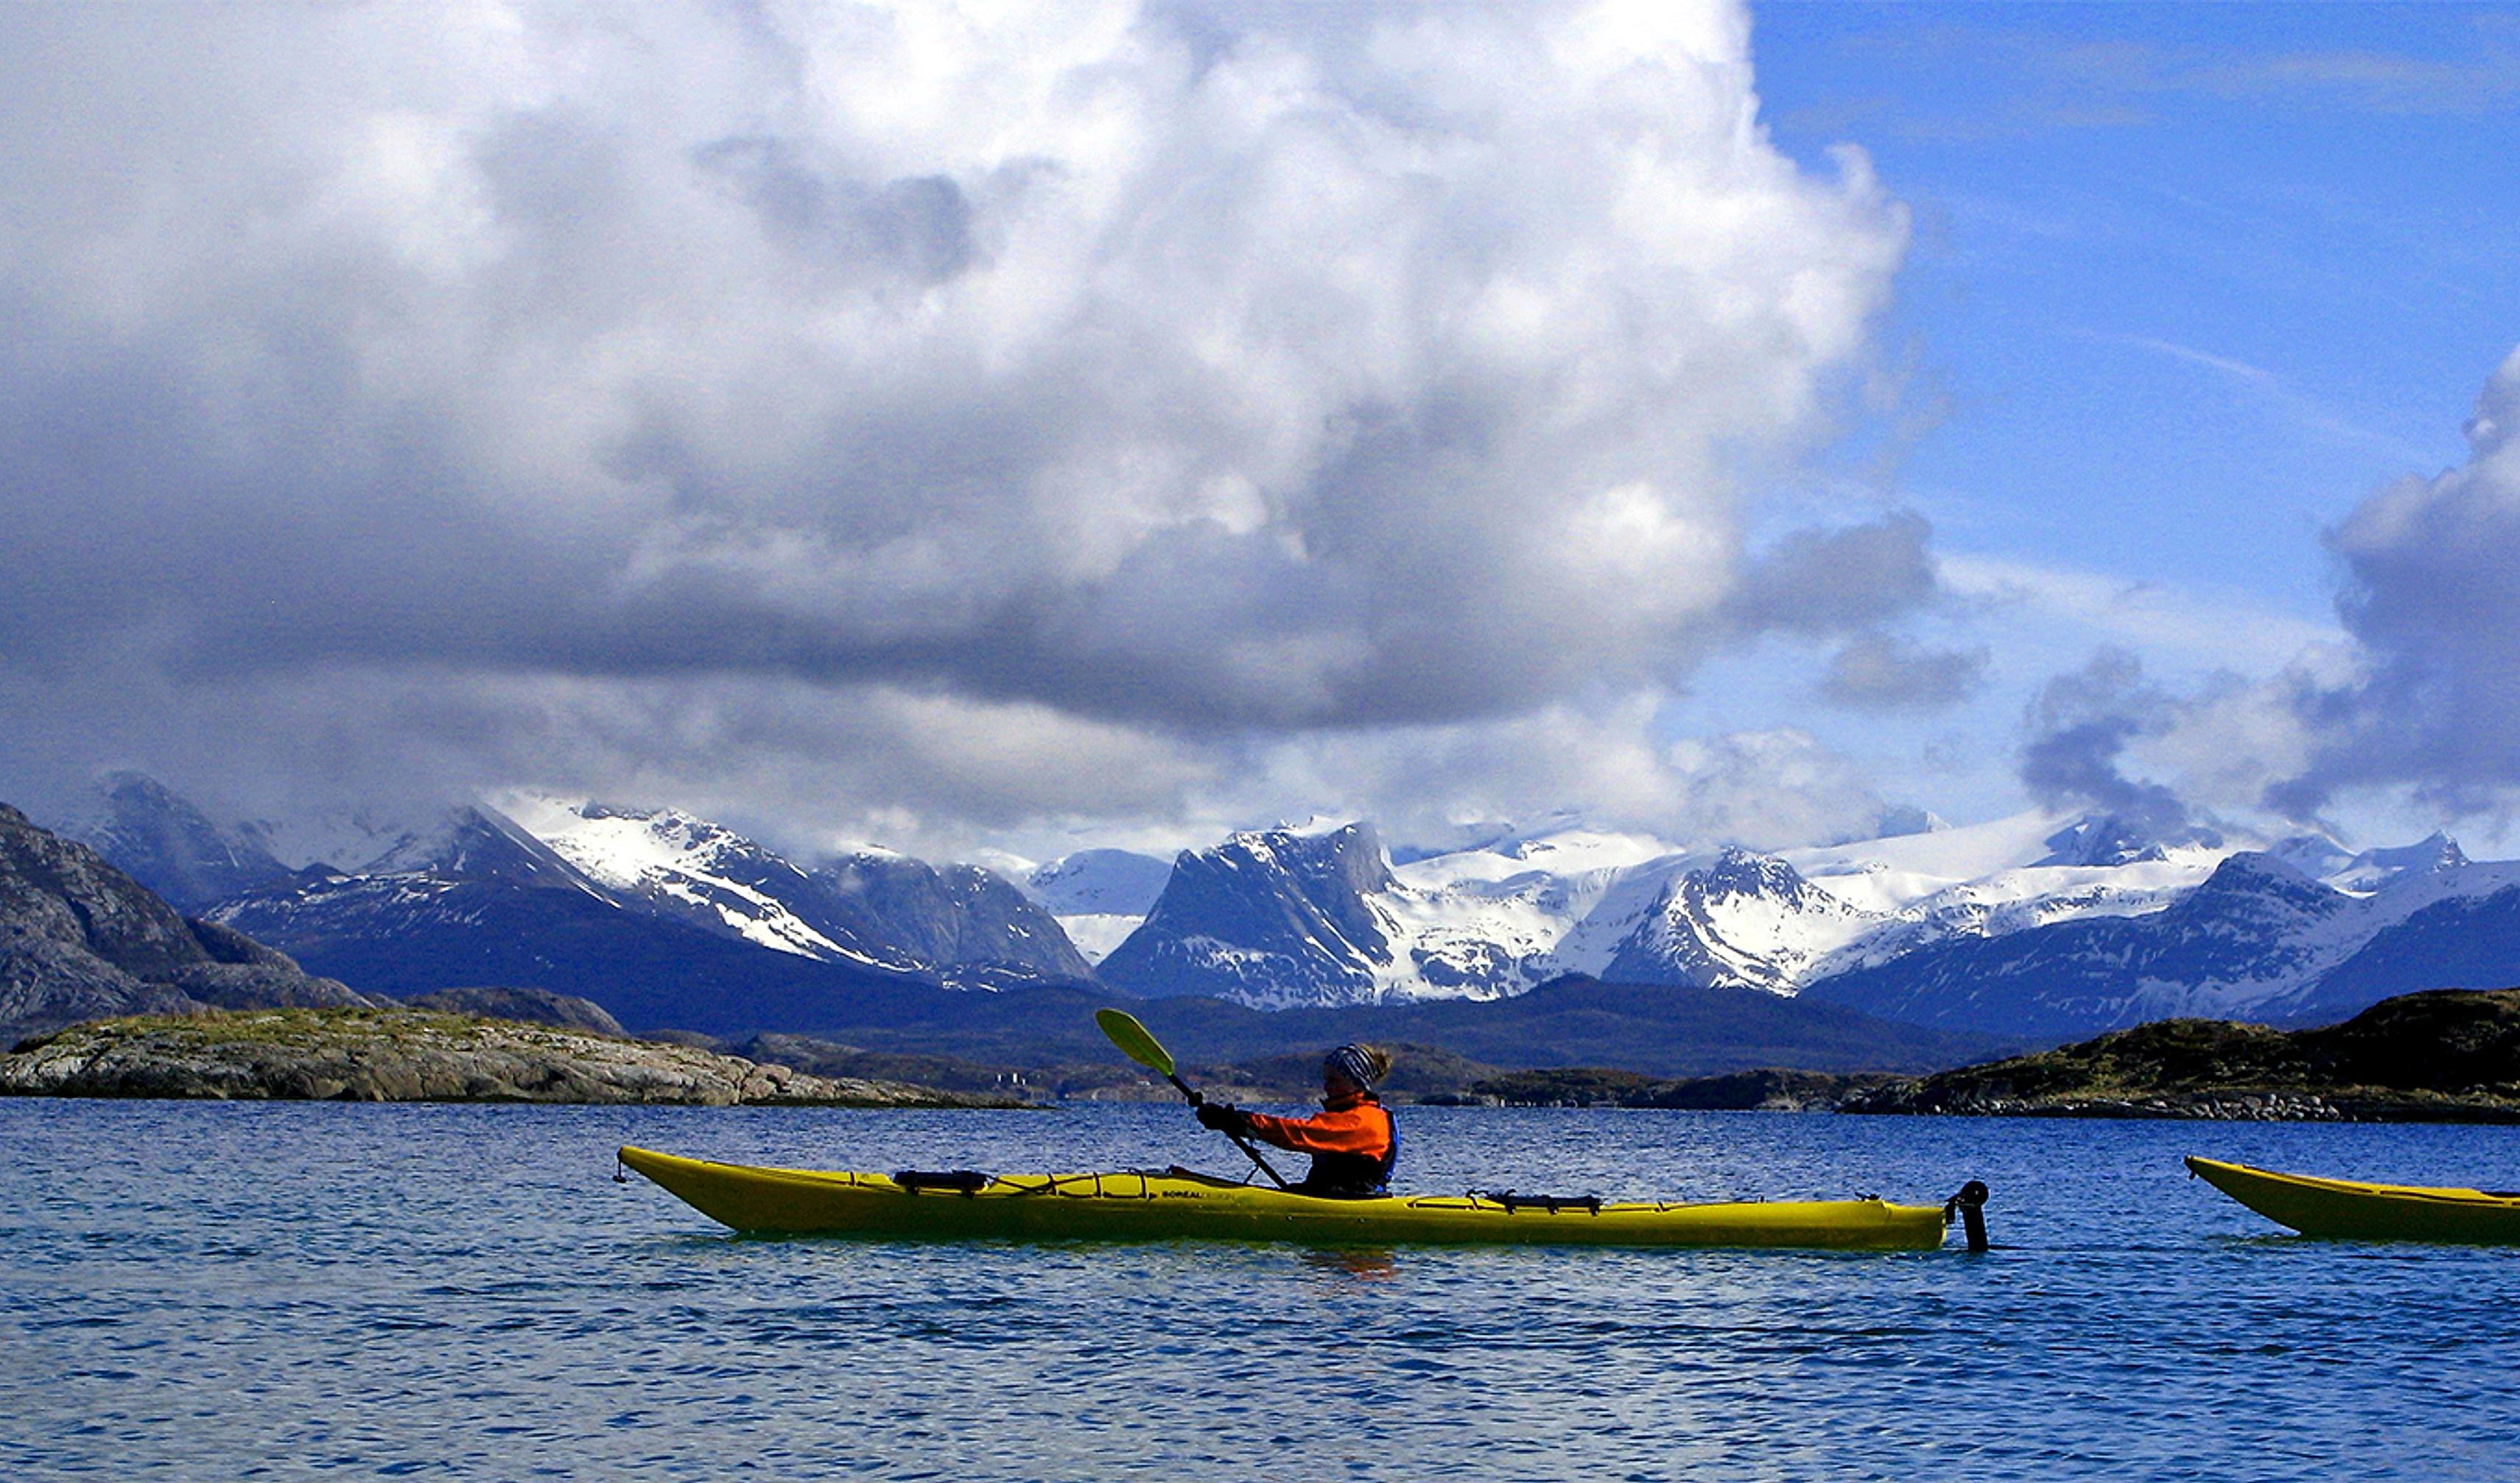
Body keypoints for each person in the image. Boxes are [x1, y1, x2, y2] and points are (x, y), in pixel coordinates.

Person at [1198, 1043, 1398, 1198]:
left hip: (1347, 1201)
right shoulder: (1353, 1116)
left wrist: (1241, 1121)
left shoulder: (1362, 1121)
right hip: (1328, 1196)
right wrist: (1231, 1122)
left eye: (1334, 1081)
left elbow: (1297, 1134)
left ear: (1357, 1083)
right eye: (1326, 1079)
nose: (1326, 1087)